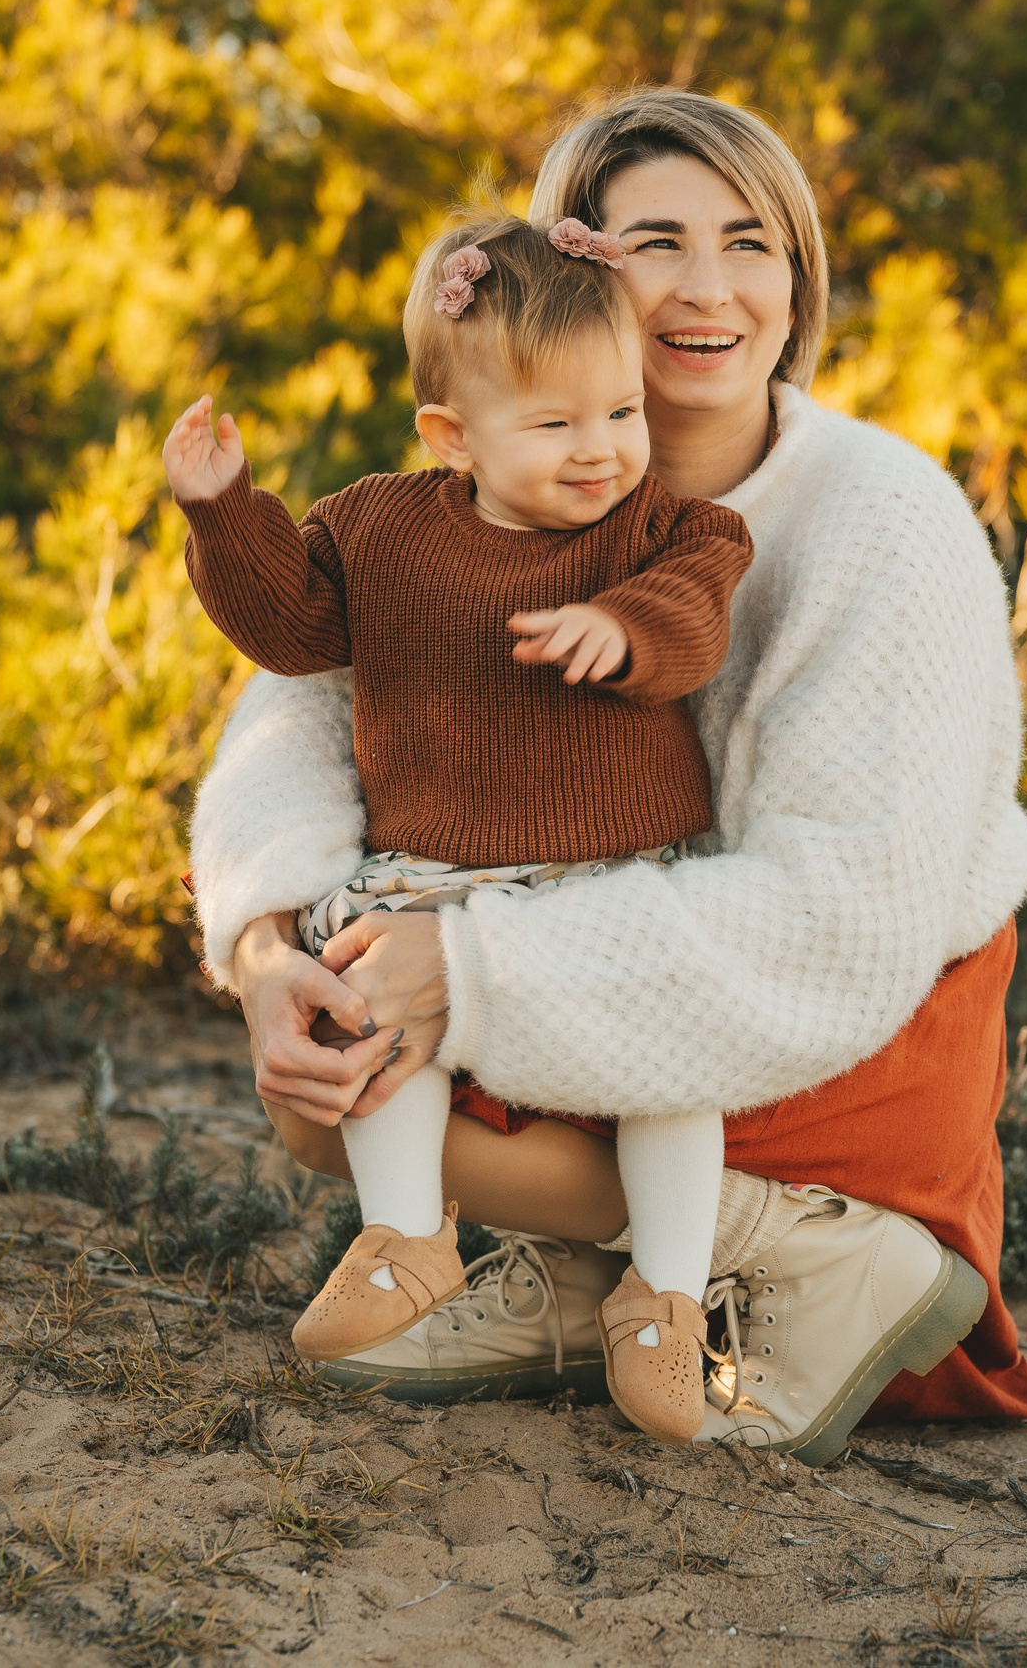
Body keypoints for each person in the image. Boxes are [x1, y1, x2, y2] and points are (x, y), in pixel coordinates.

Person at [189, 88, 1027, 1464]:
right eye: (659, 242)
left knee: (397, 1043)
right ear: (570, 270)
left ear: (797, 281)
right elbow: (296, 717)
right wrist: (260, 946)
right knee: (326, 1074)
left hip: (843, 1030)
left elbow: (844, 921)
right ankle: (602, 1274)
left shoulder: (885, 518)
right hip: (594, 941)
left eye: (752, 243)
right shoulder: (484, 490)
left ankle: (812, 1245)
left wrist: (468, 967)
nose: (709, 287)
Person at [164, 214, 751, 1444]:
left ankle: (665, 1297)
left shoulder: (664, 528)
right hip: (431, 872)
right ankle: (405, 1235)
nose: (601, 449)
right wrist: (223, 513)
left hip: (614, 877)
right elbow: (293, 625)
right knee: (372, 1003)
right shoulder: (380, 528)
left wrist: (625, 629)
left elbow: (696, 610)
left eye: (622, 412)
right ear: (451, 435)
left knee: (674, 1068)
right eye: (555, 424)